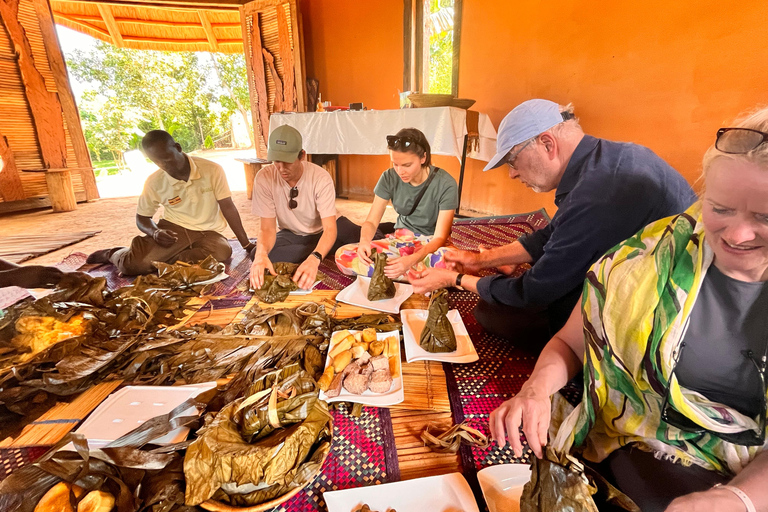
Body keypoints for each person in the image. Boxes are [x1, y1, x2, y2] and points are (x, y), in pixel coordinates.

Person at [489, 107, 768, 512]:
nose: (738, 235)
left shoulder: (605, 184)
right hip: (631, 444)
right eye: (720, 209)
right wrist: (535, 390)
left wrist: (736, 498)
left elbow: (538, 285)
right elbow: (572, 341)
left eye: (764, 217)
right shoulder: (651, 255)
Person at [409, 99, 696, 347]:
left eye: (512, 161)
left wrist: (455, 279)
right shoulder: (608, 159)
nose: (512, 174)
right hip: (656, 274)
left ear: (547, 144)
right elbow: (551, 234)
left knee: (495, 311)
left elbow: (532, 292)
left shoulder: (598, 194)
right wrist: (480, 260)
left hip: (665, 314)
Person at [86, 131, 253, 276]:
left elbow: (228, 206)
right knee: (133, 265)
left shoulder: (212, 170)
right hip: (174, 231)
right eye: (157, 162)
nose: (165, 166)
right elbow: (142, 218)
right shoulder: (155, 182)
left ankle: (164, 259)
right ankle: (113, 254)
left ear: (178, 148)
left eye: (167, 159)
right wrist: (155, 232)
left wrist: (246, 244)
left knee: (222, 252)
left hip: (208, 232)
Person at [334, 128, 458, 280]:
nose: (400, 171)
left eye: (407, 165)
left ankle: (393, 272)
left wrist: (411, 260)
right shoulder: (389, 177)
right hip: (400, 242)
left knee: (452, 262)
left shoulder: (446, 184)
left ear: (423, 158)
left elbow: (440, 238)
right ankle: (423, 276)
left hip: (432, 246)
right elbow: (371, 222)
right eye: (395, 164)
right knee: (343, 255)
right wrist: (364, 242)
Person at [249, 125, 359, 290]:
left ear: (302, 156)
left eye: (287, 161)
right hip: (292, 233)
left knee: (370, 240)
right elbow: (267, 229)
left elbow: (330, 229)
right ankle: (329, 248)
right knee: (259, 254)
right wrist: (260, 255)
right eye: (276, 161)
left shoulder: (320, 177)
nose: (281, 168)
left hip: (327, 228)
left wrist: (314, 259)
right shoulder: (264, 178)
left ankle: (324, 248)